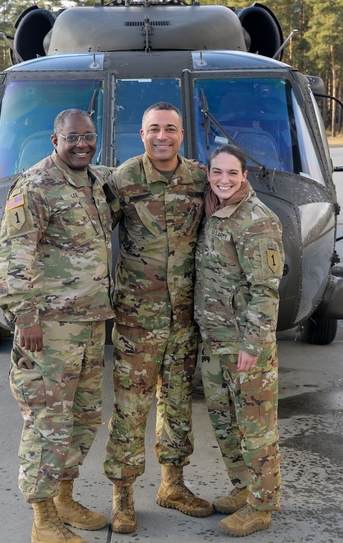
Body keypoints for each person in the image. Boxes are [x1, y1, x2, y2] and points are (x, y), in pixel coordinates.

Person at [0, 109, 116, 543]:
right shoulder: (35, 187)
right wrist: (25, 317)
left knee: (83, 419)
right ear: (55, 140)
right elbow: (13, 256)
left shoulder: (95, 182)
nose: (81, 145)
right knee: (48, 422)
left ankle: (65, 497)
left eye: (88, 137)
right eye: (72, 138)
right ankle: (43, 518)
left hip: (89, 322)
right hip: (49, 328)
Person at [103, 102, 213, 533]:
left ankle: (172, 485)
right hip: (137, 319)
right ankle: (123, 495)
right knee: (131, 408)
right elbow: (93, 231)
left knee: (179, 405)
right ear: (142, 134)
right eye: (153, 129)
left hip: (184, 316)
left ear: (181, 135)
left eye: (170, 129)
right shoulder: (124, 179)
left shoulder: (200, 179)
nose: (162, 136)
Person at [195, 144, 284, 537]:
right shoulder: (216, 211)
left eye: (232, 173)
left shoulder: (257, 221)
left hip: (245, 347)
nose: (224, 180)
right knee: (226, 424)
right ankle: (244, 489)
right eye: (217, 172)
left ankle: (262, 506)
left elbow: (265, 290)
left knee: (256, 429)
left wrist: (253, 345)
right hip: (216, 342)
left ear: (244, 175)